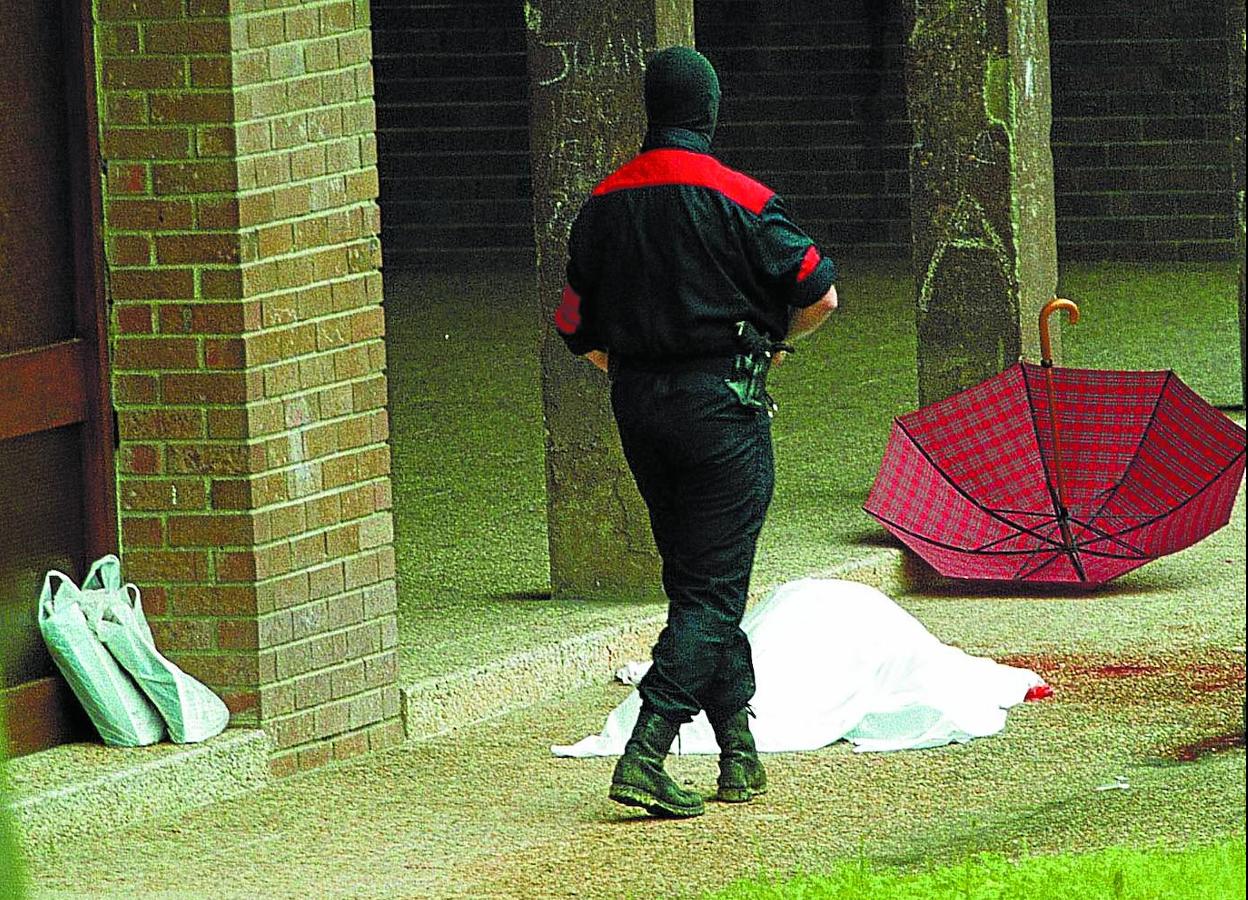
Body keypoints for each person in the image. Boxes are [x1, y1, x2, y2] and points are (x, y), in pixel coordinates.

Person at [553, 46, 839, 818]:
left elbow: (573, 327)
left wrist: (638, 366)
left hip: (640, 408)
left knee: (697, 584)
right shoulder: (743, 198)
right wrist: (773, 348)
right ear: (709, 110)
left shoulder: (603, 203)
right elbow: (821, 295)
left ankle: (738, 752)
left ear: (650, 109)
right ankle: (647, 749)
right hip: (724, 407)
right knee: (713, 592)